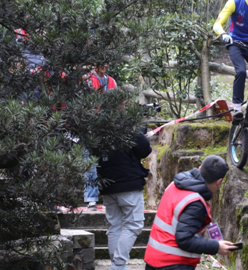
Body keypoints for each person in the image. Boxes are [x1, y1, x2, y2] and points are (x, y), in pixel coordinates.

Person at [144, 155, 236, 270]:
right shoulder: (195, 203)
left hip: (153, 258)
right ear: (219, 182)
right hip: (173, 263)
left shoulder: (174, 185)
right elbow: (184, 239)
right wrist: (216, 246)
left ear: (199, 168)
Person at [97, 131, 152, 270]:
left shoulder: (98, 126)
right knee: (134, 224)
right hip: (128, 182)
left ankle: (116, 263)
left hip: (107, 183)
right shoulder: (127, 125)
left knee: (114, 225)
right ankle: (118, 264)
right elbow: (145, 149)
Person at [84, 62, 118, 210]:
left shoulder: (112, 81)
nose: (105, 66)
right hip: (90, 126)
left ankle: (109, 196)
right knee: (90, 163)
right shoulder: (87, 79)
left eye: (107, 63)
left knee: (108, 162)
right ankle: (91, 198)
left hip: (107, 126)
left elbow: (116, 104)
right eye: (101, 63)